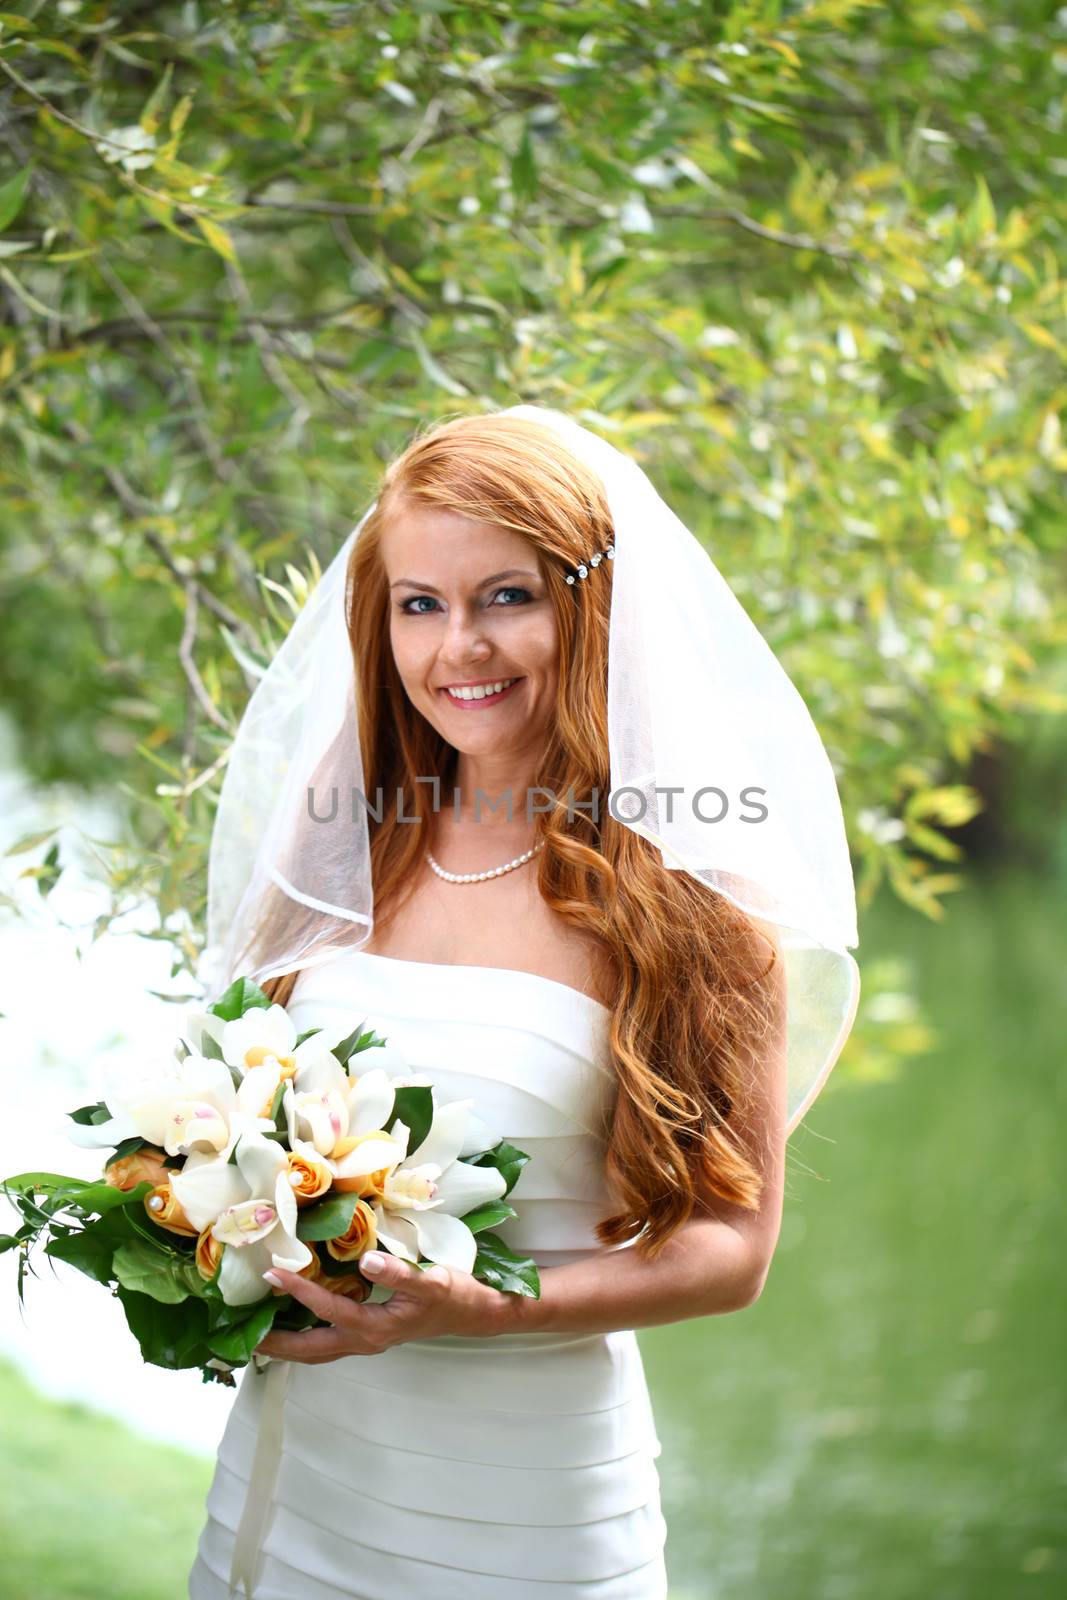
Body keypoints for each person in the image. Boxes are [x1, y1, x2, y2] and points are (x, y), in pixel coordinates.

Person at [187, 405, 860, 1599]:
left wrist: (478, 1309)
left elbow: (726, 1251)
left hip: (525, 1503)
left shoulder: (697, 902)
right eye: (420, 604)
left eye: (507, 596)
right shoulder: (345, 840)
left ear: (591, 602)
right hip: (297, 1472)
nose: (460, 650)